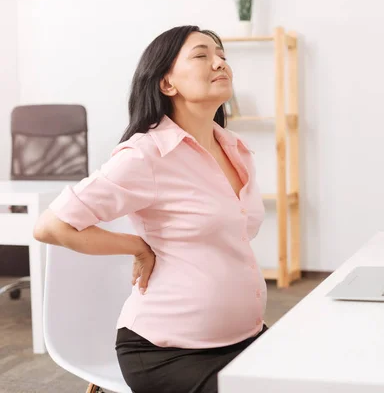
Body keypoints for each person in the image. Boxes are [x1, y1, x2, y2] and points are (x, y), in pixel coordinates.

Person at [33, 25, 268, 393]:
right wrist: (136, 246)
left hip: (246, 338)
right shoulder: (146, 153)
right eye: (202, 55)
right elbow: (51, 226)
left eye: (222, 55)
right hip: (168, 353)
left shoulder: (236, 150)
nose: (219, 62)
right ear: (167, 84)